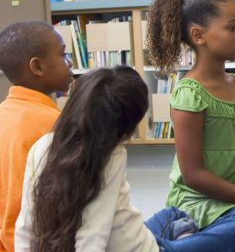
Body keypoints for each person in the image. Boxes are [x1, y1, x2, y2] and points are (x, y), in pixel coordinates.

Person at [15, 66, 220, 251]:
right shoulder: (111, 157)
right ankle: (183, 235)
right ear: (125, 131)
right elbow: (92, 240)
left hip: (132, 234)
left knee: (175, 214)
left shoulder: (42, 145)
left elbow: (25, 228)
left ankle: (182, 232)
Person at [147, 0, 235, 252]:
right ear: (198, 35)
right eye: (232, 27)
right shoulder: (190, 94)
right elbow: (193, 176)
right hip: (195, 204)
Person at [0, 21, 73, 252]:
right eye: (63, 55)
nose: (69, 62)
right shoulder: (54, 125)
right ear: (37, 67)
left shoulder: (3, 113)